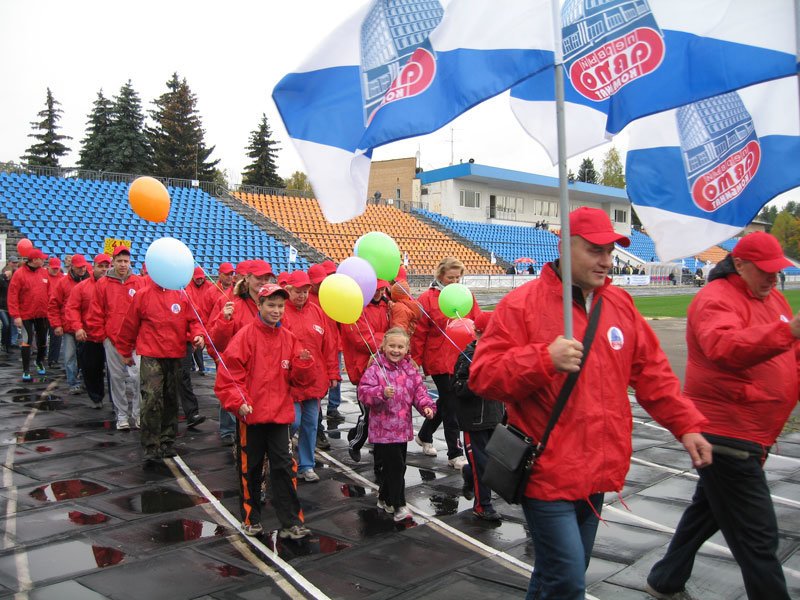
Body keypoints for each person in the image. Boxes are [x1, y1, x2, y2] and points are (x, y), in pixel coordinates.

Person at [470, 207, 713, 600]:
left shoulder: (620, 305)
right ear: (566, 247)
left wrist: (686, 425)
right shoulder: (521, 305)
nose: (606, 261)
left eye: (610, 251)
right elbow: (484, 376)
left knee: (557, 575)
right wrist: (543, 359)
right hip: (546, 472)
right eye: (595, 250)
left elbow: (653, 375)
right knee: (568, 581)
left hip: (597, 471)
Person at [646, 232, 798, 600]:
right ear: (740, 265)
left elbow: (790, 356)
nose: (773, 279)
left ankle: (665, 578)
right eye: (765, 271)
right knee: (758, 538)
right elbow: (723, 348)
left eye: (778, 271)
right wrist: (788, 330)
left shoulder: (773, 297)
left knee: (708, 510)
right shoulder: (713, 300)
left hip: (753, 432)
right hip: (726, 434)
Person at [214, 283, 314, 539]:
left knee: (284, 468)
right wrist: (240, 402)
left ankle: (291, 521)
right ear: (259, 305)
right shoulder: (245, 336)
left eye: (281, 306)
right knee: (251, 469)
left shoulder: (290, 339)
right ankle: (251, 518)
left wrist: (304, 365)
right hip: (251, 417)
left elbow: (301, 382)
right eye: (271, 305)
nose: (277, 310)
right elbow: (230, 376)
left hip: (280, 416)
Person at [116, 279, 205, 463]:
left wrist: (198, 334)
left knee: (171, 397)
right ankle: (150, 444)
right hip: (151, 354)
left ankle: (167, 440)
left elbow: (194, 319)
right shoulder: (143, 295)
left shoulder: (182, 295)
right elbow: (130, 324)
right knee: (151, 397)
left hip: (176, 354)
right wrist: (125, 350)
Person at [358, 327, 436, 522]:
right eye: (392, 346)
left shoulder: (410, 369)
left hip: (402, 430)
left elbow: (419, 392)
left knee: (397, 468)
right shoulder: (375, 369)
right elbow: (363, 393)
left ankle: (384, 498)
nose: (396, 350)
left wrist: (426, 406)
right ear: (384, 346)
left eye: (400, 346)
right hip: (383, 431)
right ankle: (400, 505)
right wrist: (381, 393)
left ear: (407, 349)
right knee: (395, 467)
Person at [411, 257, 480, 468]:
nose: (454, 281)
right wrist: (415, 361)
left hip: (460, 357)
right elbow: (419, 333)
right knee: (452, 404)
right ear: (440, 275)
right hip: (438, 358)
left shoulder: (466, 295)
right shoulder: (426, 299)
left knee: (446, 401)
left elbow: (477, 322)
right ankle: (454, 453)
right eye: (450, 277)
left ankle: (424, 434)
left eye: (458, 277)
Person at [281, 270, 339, 482]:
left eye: (305, 291)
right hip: (290, 380)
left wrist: (333, 373)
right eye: (297, 291)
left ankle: (307, 465)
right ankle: (283, 457)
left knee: (311, 423)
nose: (302, 296)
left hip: (314, 378)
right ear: (289, 290)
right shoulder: (282, 312)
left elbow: (329, 345)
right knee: (293, 421)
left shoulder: (317, 312)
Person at [451, 311, 504, 521]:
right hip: (474, 421)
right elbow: (456, 386)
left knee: (493, 463)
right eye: (486, 335)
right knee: (482, 464)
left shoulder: (500, 353)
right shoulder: (467, 357)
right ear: (477, 333)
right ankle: (483, 505)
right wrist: (476, 382)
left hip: (495, 417)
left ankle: (468, 471)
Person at [87, 246, 144, 430]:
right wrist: (103, 336)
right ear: (113, 262)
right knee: (117, 379)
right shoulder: (103, 284)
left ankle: (138, 413)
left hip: (135, 340)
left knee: (137, 379)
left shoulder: (139, 282)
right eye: (119, 261)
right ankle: (121, 416)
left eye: (126, 261)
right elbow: (96, 312)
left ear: (130, 262)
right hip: (112, 340)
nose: (122, 265)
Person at [343, 282, 392, 462]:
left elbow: (395, 330)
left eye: (382, 289)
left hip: (385, 364)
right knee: (368, 412)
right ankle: (355, 442)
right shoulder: (356, 308)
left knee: (384, 410)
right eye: (376, 289)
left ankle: (375, 447)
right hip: (363, 367)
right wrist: (388, 341)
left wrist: (385, 341)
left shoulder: (387, 305)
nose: (379, 292)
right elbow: (362, 339)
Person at [66, 254, 111, 408]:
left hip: (111, 336)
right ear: (94, 266)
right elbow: (72, 308)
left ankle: (114, 402)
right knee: (92, 368)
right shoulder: (82, 287)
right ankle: (96, 397)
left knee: (114, 372)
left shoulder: (115, 286)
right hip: (90, 335)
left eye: (107, 266)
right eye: (101, 266)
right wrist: (78, 327)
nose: (104, 270)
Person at [307, 262, 342, 445]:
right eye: (317, 282)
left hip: (330, 347)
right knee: (315, 395)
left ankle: (318, 429)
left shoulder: (330, 295)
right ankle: (318, 431)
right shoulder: (306, 300)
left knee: (325, 390)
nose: (320, 285)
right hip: (313, 351)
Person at [48, 254, 90, 393]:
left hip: (86, 327)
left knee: (85, 356)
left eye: (84, 266)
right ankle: (73, 382)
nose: (82, 269)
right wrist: (57, 324)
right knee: (70, 356)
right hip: (68, 327)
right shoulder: (63, 283)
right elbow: (54, 305)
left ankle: (85, 379)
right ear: (72, 267)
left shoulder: (91, 281)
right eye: (79, 267)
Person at [8, 248, 51, 382]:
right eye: (41, 258)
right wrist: (16, 315)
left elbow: (49, 292)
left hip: (42, 314)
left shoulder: (44, 273)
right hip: (26, 314)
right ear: (35, 260)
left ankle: (39, 362)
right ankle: (26, 370)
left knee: (43, 341)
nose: (44, 260)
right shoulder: (19, 274)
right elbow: (13, 295)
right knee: (26, 341)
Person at [46, 256, 65, 368]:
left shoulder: (62, 278)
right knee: (42, 338)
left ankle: (53, 359)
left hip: (56, 312)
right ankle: (41, 356)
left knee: (56, 337)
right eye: (53, 268)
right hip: (43, 311)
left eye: (57, 268)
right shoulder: (44, 276)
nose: (55, 270)